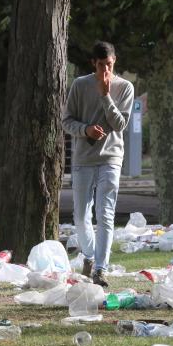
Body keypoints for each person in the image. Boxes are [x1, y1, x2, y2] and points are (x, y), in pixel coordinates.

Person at [62, 41, 134, 287]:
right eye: (102, 65)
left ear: (115, 62)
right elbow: (66, 121)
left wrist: (105, 95)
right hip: (84, 159)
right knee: (81, 216)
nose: (106, 70)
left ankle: (100, 269)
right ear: (93, 63)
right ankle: (90, 256)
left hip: (111, 158)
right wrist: (85, 130)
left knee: (105, 215)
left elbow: (120, 124)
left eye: (110, 65)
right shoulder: (80, 85)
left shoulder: (124, 87)